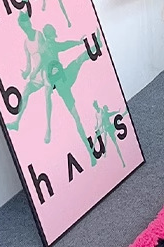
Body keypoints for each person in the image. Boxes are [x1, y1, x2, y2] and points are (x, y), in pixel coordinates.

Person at [7, 13, 99, 165]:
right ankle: (90, 154)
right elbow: (44, 58)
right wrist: (29, 73)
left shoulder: (45, 43)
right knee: (75, 116)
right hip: (62, 82)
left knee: (77, 62)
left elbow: (61, 47)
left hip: (60, 79)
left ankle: (51, 130)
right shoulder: (40, 46)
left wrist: (77, 43)